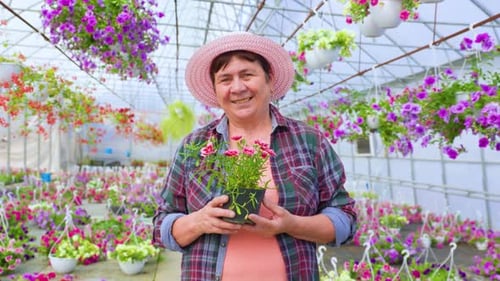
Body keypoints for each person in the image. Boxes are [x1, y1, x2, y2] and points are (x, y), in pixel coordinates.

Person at [153, 32, 357, 281]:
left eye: (247, 75)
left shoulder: (308, 140)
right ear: (216, 90)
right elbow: (161, 224)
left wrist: (291, 224)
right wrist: (200, 221)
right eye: (225, 79)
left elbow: (344, 217)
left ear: (269, 80)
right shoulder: (194, 146)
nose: (237, 87)